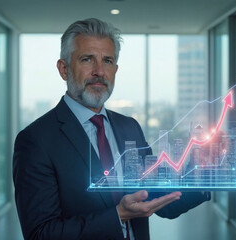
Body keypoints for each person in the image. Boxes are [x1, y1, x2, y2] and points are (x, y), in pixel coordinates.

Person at [13, 18, 210, 240]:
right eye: (87, 59)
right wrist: (118, 215)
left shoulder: (130, 127)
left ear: (115, 69)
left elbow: (161, 202)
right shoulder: (35, 140)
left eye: (107, 61)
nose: (99, 71)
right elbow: (41, 234)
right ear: (64, 69)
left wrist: (203, 177)